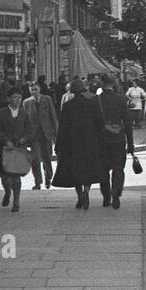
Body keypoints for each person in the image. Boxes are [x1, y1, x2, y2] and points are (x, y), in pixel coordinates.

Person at [53, 78, 100, 209]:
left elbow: (63, 127)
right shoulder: (92, 104)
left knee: (76, 171)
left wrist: (58, 146)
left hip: (72, 144)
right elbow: (99, 123)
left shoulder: (68, 106)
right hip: (90, 142)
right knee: (89, 169)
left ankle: (80, 195)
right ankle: (86, 191)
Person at [94, 75, 138, 208]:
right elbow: (128, 123)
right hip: (118, 138)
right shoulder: (121, 100)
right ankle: (116, 191)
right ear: (113, 84)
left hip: (101, 140)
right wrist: (130, 143)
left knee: (103, 169)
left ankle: (106, 196)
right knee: (118, 167)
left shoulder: (96, 101)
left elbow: (92, 123)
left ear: (102, 84)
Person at [0, 84, 36, 213]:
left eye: (19, 97)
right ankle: (7, 192)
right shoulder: (1, 113)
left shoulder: (23, 113)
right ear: (9, 99)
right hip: (5, 148)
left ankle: (16, 202)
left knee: (16, 176)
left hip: (19, 148)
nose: (17, 100)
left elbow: (30, 129)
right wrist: (5, 141)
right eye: (14, 97)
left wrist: (25, 139)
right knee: (6, 176)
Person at [24, 81, 59, 190]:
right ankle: (38, 182)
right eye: (32, 90)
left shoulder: (47, 99)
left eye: (35, 89)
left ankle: (48, 177)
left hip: (46, 134)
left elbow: (53, 116)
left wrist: (56, 133)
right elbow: (25, 120)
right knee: (35, 159)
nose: (34, 92)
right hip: (34, 135)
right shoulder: (27, 102)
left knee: (47, 158)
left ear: (39, 90)